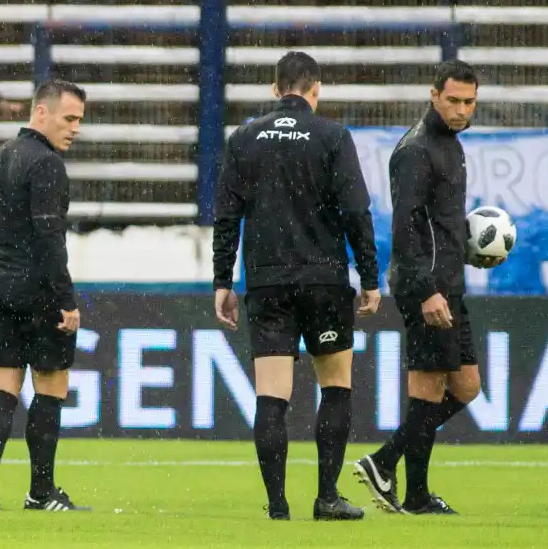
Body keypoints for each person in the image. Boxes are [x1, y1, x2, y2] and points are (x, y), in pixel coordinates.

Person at [212, 51, 380, 522]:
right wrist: (369, 276)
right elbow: (356, 212)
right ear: (316, 89)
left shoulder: (244, 139)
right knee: (335, 386)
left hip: (267, 282)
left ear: (274, 89)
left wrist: (222, 280)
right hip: (324, 280)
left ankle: (278, 505)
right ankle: (327, 497)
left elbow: (226, 217)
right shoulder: (332, 136)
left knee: (272, 395)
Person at [353, 60, 503, 516]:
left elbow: (436, 224)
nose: (461, 110)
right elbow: (406, 229)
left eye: (469, 102)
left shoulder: (450, 145)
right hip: (428, 288)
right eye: (453, 100)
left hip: (448, 283)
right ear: (433, 95)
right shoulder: (417, 150)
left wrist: (469, 244)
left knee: (467, 385)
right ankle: (399, 477)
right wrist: (425, 290)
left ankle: (397, 472)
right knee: (429, 389)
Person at [0, 80, 88, 513]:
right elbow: (49, 236)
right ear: (41, 112)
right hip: (38, 291)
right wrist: (66, 299)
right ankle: (41, 491)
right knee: (51, 386)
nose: (75, 128)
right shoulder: (47, 164)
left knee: (3, 385)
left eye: (79, 120)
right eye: (69, 118)